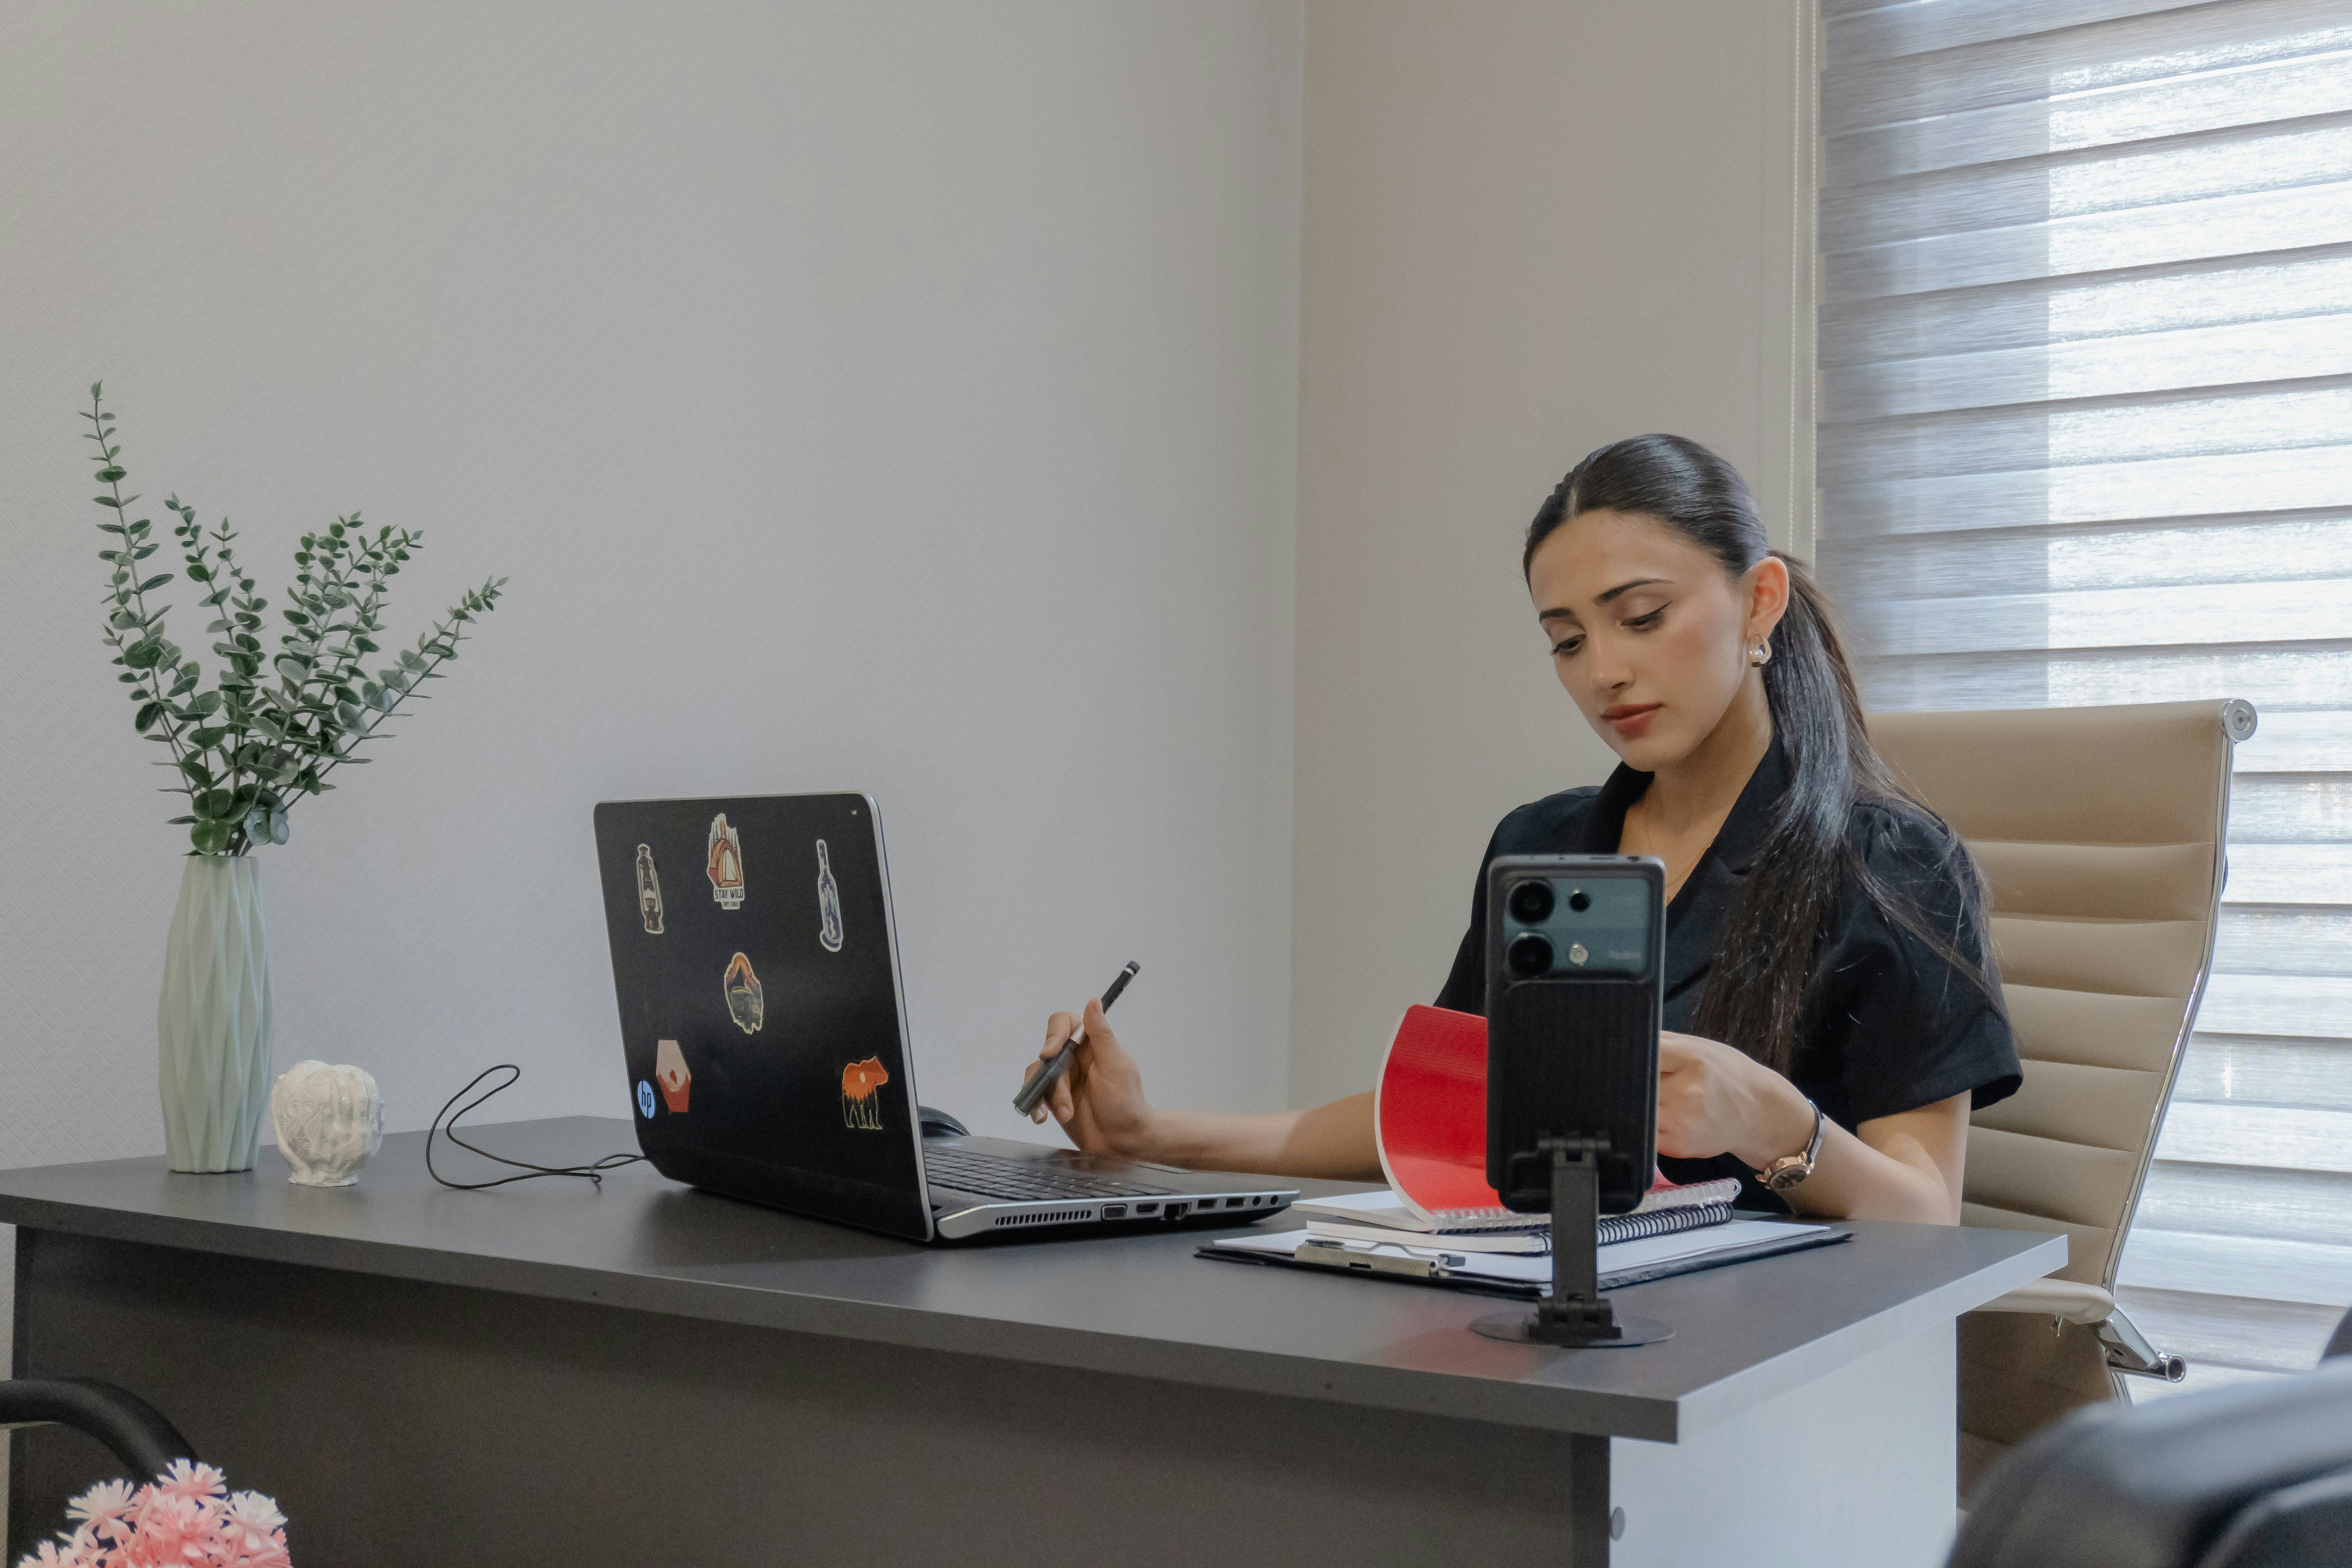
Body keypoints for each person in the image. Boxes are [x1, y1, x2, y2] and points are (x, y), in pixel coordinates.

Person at [1017, 435, 2020, 1223]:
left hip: (1766, 1367)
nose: (1604, 673)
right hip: (1549, 1325)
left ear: (1759, 600)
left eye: (1642, 616)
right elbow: (1436, 1118)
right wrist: (1152, 1134)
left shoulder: (1892, 862)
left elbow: (1923, 1216)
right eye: (1568, 640)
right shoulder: (1543, 849)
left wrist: (1774, 1121)